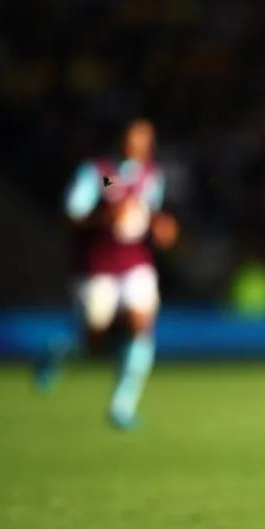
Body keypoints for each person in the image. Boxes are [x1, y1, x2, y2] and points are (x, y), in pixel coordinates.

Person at [34, 119, 179, 430]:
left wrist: (161, 227)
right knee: (94, 339)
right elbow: (70, 217)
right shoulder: (101, 173)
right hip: (96, 265)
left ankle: (122, 406)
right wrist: (103, 218)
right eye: (134, 137)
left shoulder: (150, 176)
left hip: (135, 262)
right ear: (121, 139)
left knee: (141, 324)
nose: (140, 144)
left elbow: (147, 214)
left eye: (146, 138)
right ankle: (59, 353)